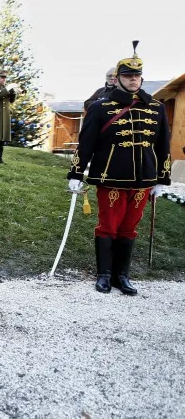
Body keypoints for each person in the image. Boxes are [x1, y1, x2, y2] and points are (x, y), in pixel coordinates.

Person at [67, 41, 171, 295]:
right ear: (118, 79)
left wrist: (161, 179)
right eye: (128, 76)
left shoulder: (156, 108)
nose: (133, 80)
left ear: (141, 78)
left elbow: (163, 145)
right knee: (108, 227)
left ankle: (121, 276)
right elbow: (87, 142)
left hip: (144, 179)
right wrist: (76, 173)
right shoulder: (100, 107)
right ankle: (103, 275)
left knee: (129, 228)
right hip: (110, 176)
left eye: (136, 75)